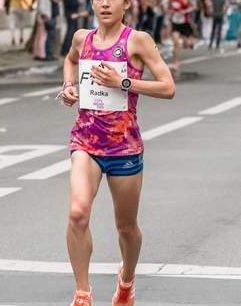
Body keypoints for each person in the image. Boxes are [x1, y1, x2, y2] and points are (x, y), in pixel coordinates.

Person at [58, 0, 175, 305]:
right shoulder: (82, 38)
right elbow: (70, 60)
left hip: (123, 146)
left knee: (126, 227)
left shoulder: (137, 41)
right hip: (85, 141)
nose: (105, 3)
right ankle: (82, 294)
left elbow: (167, 87)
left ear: (126, 4)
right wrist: (69, 86)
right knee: (77, 212)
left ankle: (127, 280)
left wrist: (122, 82)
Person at [168, 0, 196, 72]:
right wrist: (170, 13)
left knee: (186, 45)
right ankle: (176, 63)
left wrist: (185, 11)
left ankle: (190, 44)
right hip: (175, 24)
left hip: (184, 24)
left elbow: (194, 7)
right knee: (176, 43)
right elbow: (169, 8)